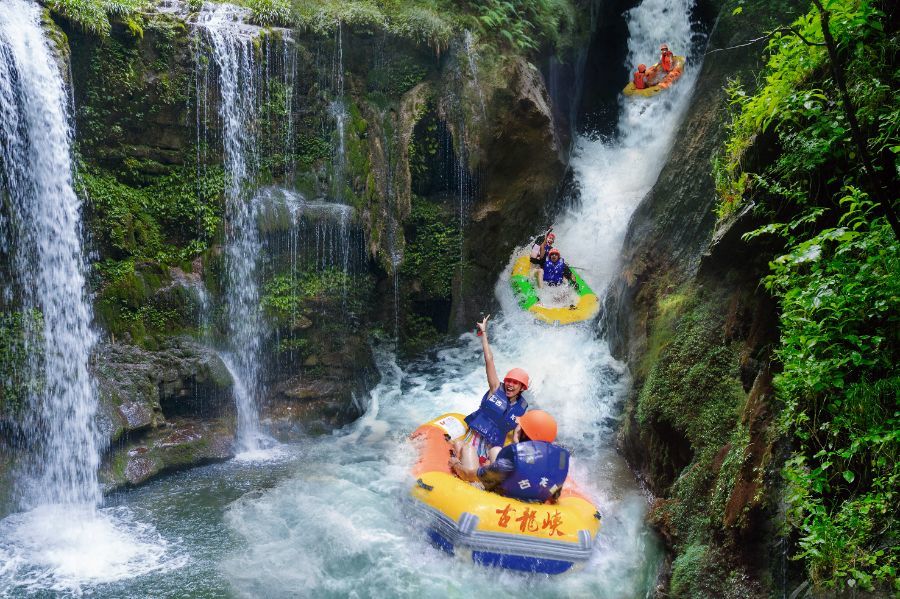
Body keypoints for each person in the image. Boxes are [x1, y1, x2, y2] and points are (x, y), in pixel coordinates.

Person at [450, 315, 529, 481]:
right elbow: (489, 360)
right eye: (509, 381)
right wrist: (484, 333)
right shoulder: (495, 389)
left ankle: (487, 472)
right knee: (471, 471)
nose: (510, 385)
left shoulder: (521, 408)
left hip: (492, 447)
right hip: (472, 442)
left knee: (498, 459)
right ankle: (456, 461)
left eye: (516, 383)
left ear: (522, 388)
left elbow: (516, 438)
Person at [476, 410, 569, 503]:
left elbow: (485, 476)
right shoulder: (558, 460)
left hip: (506, 496)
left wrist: (480, 469)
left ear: (523, 433)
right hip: (535, 501)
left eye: (520, 426)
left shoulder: (514, 455)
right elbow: (555, 494)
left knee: (494, 450)